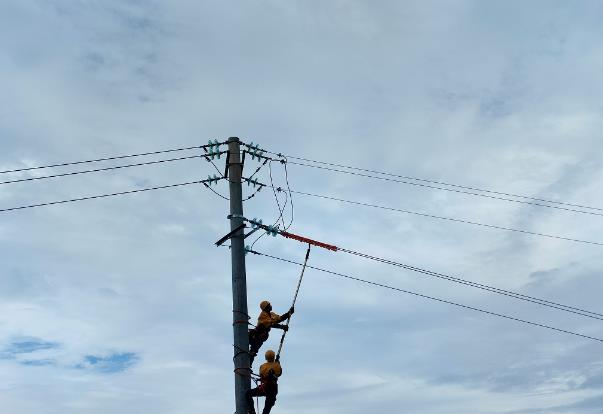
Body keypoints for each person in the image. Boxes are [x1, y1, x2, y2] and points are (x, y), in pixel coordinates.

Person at [246, 349, 282, 414]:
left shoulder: (263, 366)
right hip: (273, 389)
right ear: (274, 357)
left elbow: (261, 375)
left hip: (265, 388)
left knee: (248, 394)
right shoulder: (277, 366)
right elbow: (279, 373)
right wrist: (277, 363)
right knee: (267, 409)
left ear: (266, 357)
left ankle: (252, 411)